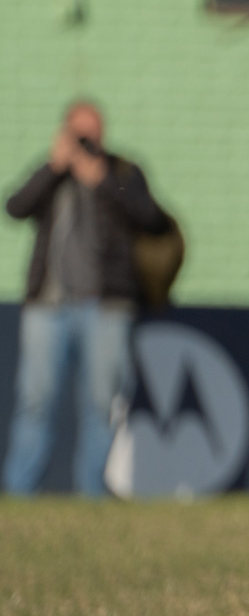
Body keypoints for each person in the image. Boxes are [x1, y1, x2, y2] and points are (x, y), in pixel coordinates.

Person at [4, 101, 169, 496]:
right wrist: (53, 167)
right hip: (49, 305)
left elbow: (152, 219)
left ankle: (92, 492)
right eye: (78, 132)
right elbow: (15, 207)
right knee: (35, 400)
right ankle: (17, 491)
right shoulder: (53, 174)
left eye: (92, 132)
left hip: (106, 306)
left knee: (102, 403)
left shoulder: (122, 172)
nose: (86, 140)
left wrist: (103, 181)